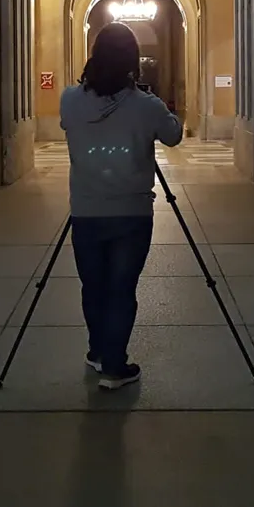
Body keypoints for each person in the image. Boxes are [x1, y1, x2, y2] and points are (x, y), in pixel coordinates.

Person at [59, 22, 183, 390]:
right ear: (132, 60)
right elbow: (173, 135)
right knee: (121, 288)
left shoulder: (69, 99)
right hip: (132, 213)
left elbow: (69, 124)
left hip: (86, 210)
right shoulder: (147, 105)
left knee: (92, 286)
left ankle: (98, 351)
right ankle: (114, 365)